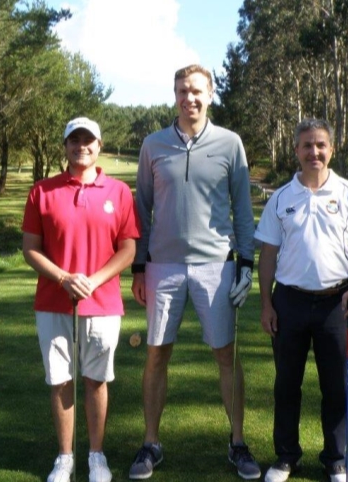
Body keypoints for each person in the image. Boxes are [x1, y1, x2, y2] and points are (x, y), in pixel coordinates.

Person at [128, 64, 260, 480]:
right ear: (174, 95)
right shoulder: (153, 144)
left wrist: (246, 264)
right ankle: (151, 443)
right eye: (183, 91)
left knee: (226, 354)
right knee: (156, 354)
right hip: (162, 266)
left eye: (198, 91)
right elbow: (141, 210)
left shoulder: (230, 143)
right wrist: (138, 265)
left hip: (215, 267)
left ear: (211, 94)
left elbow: (242, 208)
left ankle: (237, 443)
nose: (190, 98)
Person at [256, 118, 348, 482]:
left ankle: (336, 461)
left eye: (321, 145)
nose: (314, 152)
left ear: (331, 149)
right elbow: (268, 257)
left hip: (335, 304)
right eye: (307, 145)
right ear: (296, 150)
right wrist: (266, 304)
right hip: (289, 302)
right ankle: (286, 457)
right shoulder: (280, 198)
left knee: (336, 386)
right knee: (287, 385)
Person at [22, 117, 140, 482]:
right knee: (60, 380)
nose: (81, 146)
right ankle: (64, 457)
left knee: (96, 379)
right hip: (54, 301)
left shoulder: (118, 192)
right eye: (74, 140)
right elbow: (30, 250)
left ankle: (96, 456)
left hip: (102, 303)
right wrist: (63, 278)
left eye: (88, 140)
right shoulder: (42, 191)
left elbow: (128, 248)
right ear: (66, 146)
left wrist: (93, 281)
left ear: (99, 146)